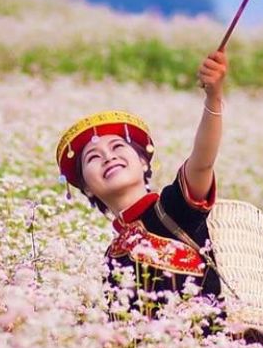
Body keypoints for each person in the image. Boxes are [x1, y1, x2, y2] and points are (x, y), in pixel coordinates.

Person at [55, 52, 230, 315]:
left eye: (117, 146)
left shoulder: (172, 208)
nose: (108, 156)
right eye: (92, 157)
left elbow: (202, 162)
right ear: (86, 187)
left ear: (144, 162)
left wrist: (213, 98)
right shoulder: (112, 256)